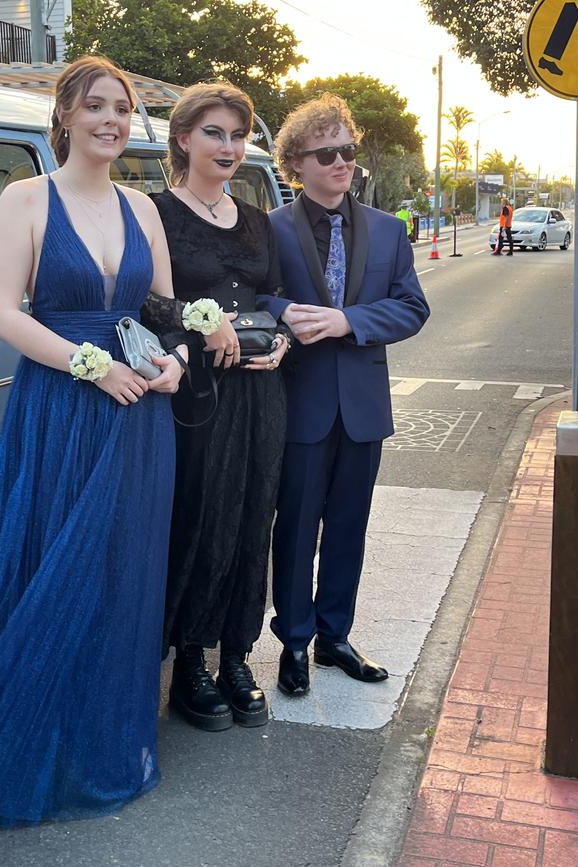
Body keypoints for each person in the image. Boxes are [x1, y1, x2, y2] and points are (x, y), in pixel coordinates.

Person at [0, 56, 185, 826]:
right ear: (66, 116)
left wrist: (175, 359)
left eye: (121, 107)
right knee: (52, 560)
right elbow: (3, 310)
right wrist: (90, 364)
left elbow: (164, 309)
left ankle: (99, 737)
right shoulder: (25, 197)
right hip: (63, 405)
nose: (110, 119)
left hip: (139, 412)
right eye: (96, 106)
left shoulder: (142, 208)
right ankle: (28, 741)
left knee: (120, 571)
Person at [261, 94, 430, 697]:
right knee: (296, 526)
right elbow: (254, 297)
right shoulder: (270, 227)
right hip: (299, 402)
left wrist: (348, 321)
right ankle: (295, 641)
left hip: (363, 408)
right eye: (326, 153)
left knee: (349, 528)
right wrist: (286, 311)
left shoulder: (388, 229)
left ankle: (335, 637)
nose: (341, 163)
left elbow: (413, 307)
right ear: (295, 163)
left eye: (348, 151)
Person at [148, 82, 289, 732]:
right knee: (199, 516)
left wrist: (281, 340)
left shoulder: (258, 219)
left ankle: (237, 653)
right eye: (215, 132)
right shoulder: (156, 213)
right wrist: (200, 320)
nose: (229, 146)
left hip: (261, 391)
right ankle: (191, 661)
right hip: (196, 393)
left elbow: (276, 296)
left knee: (254, 515)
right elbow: (145, 299)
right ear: (183, 137)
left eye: (237, 135)